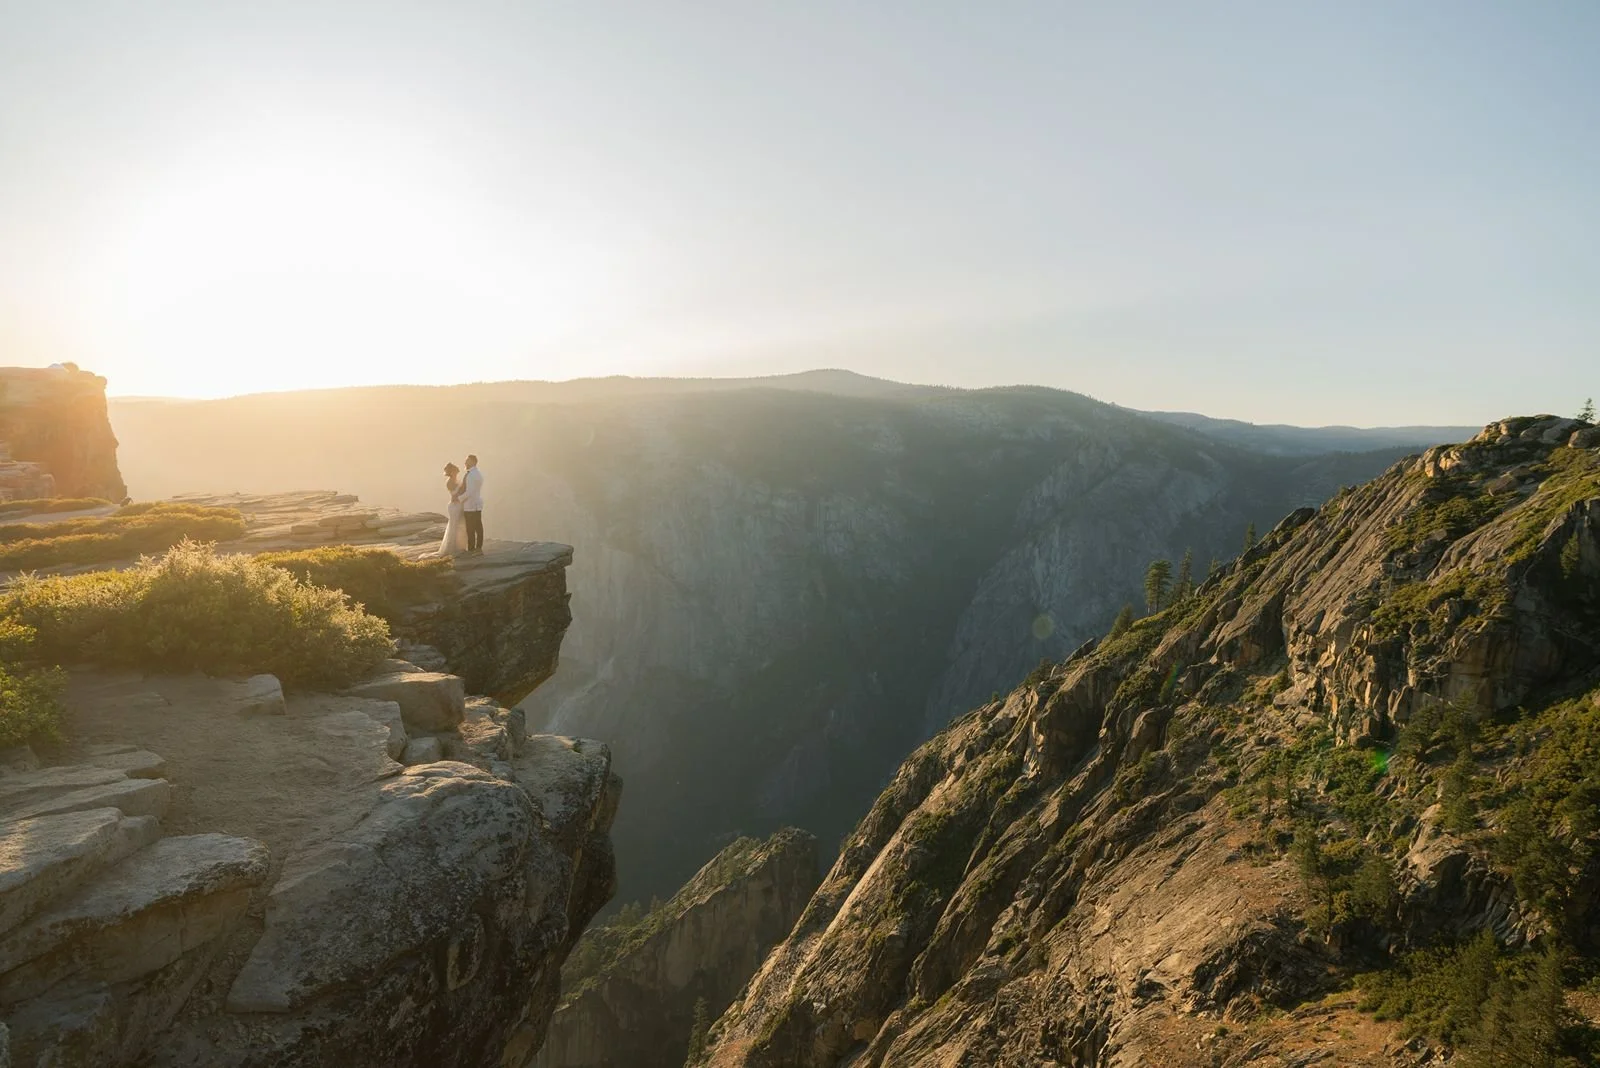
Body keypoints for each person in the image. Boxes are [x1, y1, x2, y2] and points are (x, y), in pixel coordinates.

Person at [437, 463, 468, 557]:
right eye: (454, 470)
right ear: (451, 472)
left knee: (460, 525)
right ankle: (452, 547)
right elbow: (455, 495)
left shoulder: (456, 480)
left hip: (458, 505)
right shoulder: (449, 482)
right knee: (454, 526)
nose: (456, 472)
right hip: (454, 506)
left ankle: (459, 546)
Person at [461, 454, 485, 554]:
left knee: (470, 528)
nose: (465, 462)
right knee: (478, 527)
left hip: (470, 505)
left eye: (467, 461)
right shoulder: (478, 473)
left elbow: (469, 492)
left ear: (473, 462)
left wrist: (459, 499)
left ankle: (471, 549)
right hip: (477, 503)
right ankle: (478, 547)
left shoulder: (471, 475)